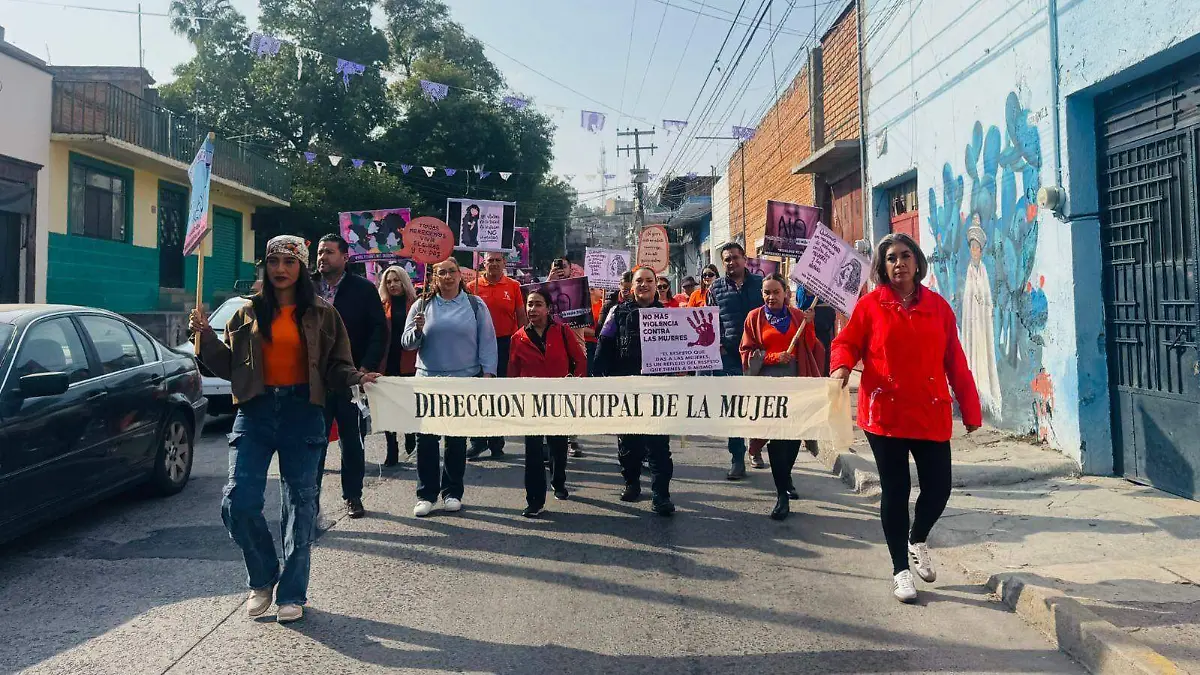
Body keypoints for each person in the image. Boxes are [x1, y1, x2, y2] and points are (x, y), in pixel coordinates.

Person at [191, 235, 379, 624]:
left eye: (289, 262)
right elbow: (229, 368)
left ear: (302, 267)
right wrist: (205, 337)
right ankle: (263, 577)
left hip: (303, 411)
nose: (280, 269)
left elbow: (336, 366)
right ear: (265, 265)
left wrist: (357, 377)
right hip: (255, 411)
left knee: (301, 505)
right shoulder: (246, 313)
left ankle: (292, 592)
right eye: (274, 261)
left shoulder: (324, 314)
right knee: (238, 502)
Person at [830, 232, 982, 604]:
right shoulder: (870, 306)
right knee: (896, 491)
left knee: (939, 488)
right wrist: (841, 366)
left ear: (917, 262)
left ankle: (917, 538)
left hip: (930, 410)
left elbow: (955, 360)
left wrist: (970, 407)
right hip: (885, 414)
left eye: (905, 255)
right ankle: (900, 569)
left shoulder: (938, 308)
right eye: (891, 258)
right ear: (882, 267)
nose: (899, 263)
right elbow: (846, 342)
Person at [402, 257, 498, 517]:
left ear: (460, 275)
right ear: (434, 277)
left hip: (462, 381)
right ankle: (426, 494)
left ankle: (452, 492)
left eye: (451, 271)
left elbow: (487, 341)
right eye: (441, 272)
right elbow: (407, 343)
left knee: (455, 439)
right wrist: (418, 330)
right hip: (428, 380)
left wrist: (488, 374)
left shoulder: (475, 305)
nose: (447, 276)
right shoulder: (422, 305)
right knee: (426, 440)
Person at [739, 273, 825, 521]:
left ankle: (786, 477)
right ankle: (781, 496)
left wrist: (809, 325)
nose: (771, 297)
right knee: (777, 440)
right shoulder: (754, 318)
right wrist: (774, 357)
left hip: (796, 385)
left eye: (776, 292)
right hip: (769, 389)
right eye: (767, 292)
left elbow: (810, 346)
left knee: (793, 438)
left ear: (786, 292)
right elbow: (746, 352)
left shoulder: (797, 316)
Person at [314, 234, 387, 519]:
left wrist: (365, 367)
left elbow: (379, 330)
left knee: (352, 441)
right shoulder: (306, 287)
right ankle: (309, 499)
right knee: (313, 441)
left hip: (350, 378)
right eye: (320, 252)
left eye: (329, 252)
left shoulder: (363, 289)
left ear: (345, 257)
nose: (322, 257)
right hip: (314, 380)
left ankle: (353, 496)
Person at [594, 266, 676, 516]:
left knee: (659, 446)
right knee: (629, 443)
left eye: (649, 280)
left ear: (656, 285)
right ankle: (631, 483)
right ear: (632, 286)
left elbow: (681, 351)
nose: (644, 285)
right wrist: (599, 376)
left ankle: (661, 496)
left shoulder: (670, 316)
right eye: (639, 281)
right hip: (626, 387)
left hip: (658, 389)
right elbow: (604, 344)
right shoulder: (617, 313)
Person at [509, 288, 589, 517]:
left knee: (558, 445)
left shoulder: (562, 331)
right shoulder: (518, 337)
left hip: (559, 399)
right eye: (530, 304)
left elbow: (579, 361)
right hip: (531, 402)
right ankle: (534, 500)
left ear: (548, 308)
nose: (532, 309)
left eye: (538, 304)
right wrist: (513, 398)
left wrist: (575, 383)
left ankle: (559, 480)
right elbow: (512, 372)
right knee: (533, 451)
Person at [706, 242, 765, 480]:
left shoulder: (760, 284)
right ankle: (737, 459)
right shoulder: (715, 288)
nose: (731, 262)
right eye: (727, 259)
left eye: (735, 258)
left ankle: (756, 448)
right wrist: (718, 345)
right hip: (729, 356)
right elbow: (709, 320)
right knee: (733, 409)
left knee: (758, 406)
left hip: (758, 355)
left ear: (745, 259)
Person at [466, 252, 526, 460]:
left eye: (497, 260)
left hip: (505, 344)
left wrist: (523, 343)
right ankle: (477, 441)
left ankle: (497, 442)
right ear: (483, 263)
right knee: (478, 393)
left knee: (499, 394)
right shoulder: (472, 286)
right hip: (478, 345)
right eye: (489, 260)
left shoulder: (514, 286)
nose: (493, 264)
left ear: (504, 263)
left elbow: (521, 316)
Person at [377, 265, 419, 466]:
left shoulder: (417, 304)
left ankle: (410, 435)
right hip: (387, 361)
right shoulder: (382, 304)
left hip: (409, 361)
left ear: (404, 281)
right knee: (388, 407)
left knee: (409, 404)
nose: (393, 285)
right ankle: (391, 447)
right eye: (388, 282)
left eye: (396, 280)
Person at [548, 257, 588, 457]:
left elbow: (587, 321)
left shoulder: (579, 290)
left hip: (576, 351)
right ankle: (551, 439)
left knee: (573, 399)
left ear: (571, 270)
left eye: (563, 266)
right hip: (552, 352)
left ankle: (572, 438)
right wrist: (549, 283)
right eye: (555, 267)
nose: (560, 270)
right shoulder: (544, 291)